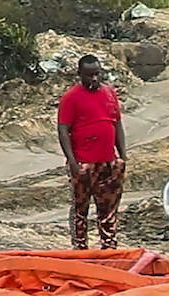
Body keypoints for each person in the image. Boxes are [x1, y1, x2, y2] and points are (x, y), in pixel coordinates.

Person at [57, 54, 128, 251]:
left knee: (109, 208)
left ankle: (109, 246)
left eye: (97, 74)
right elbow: (63, 129)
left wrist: (122, 155)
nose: (94, 79)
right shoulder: (70, 98)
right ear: (80, 75)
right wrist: (72, 161)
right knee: (81, 208)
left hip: (109, 161)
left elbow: (117, 123)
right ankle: (80, 248)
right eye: (89, 75)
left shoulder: (109, 93)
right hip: (84, 163)